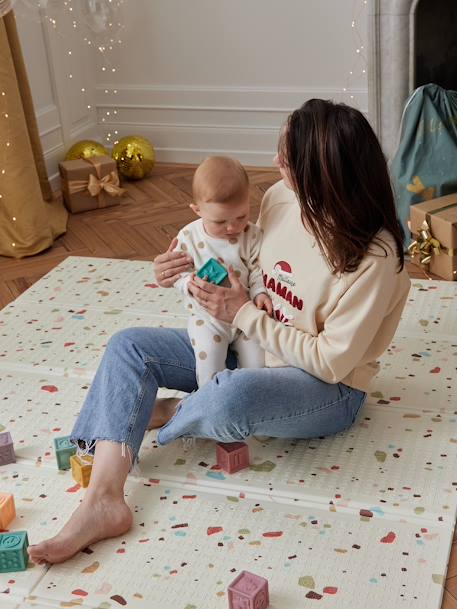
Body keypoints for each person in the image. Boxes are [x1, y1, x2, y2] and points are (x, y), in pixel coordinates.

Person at [28, 99, 411, 565]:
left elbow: (332, 362)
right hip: (248, 345)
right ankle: (104, 500)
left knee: (231, 394)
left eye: (286, 159)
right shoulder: (281, 198)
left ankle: (159, 410)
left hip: (325, 387)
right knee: (129, 346)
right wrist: (173, 267)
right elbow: (234, 256)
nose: (274, 164)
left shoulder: (374, 256)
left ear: (319, 172)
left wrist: (245, 313)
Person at [173, 155, 272, 387]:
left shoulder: (252, 235)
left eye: (241, 216)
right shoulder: (188, 236)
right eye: (219, 222)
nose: (232, 227)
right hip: (208, 318)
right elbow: (178, 273)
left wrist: (259, 293)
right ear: (197, 210)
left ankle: (247, 399)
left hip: (245, 314)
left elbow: (257, 268)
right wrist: (189, 284)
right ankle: (209, 401)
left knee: (258, 365)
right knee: (209, 364)